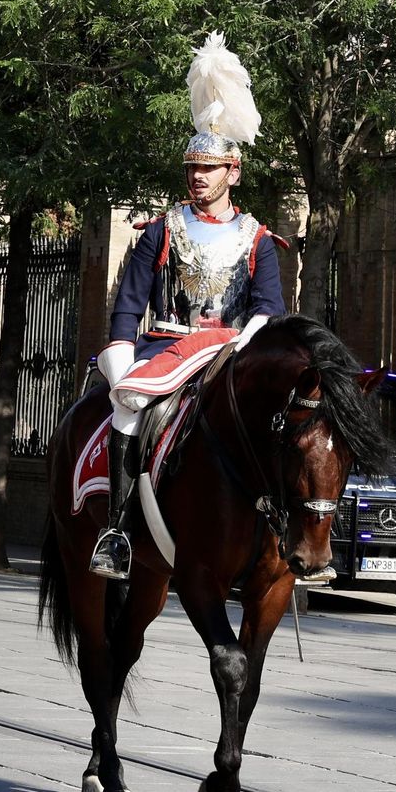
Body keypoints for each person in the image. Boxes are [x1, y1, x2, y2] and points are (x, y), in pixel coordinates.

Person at [90, 32, 287, 581]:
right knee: (129, 408)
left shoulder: (258, 239)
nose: (198, 177)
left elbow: (269, 310)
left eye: (209, 169)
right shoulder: (160, 231)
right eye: (192, 169)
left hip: (229, 353)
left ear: (233, 172)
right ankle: (118, 532)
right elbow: (127, 307)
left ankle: (285, 534)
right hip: (166, 349)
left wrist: (246, 346)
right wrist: (121, 362)